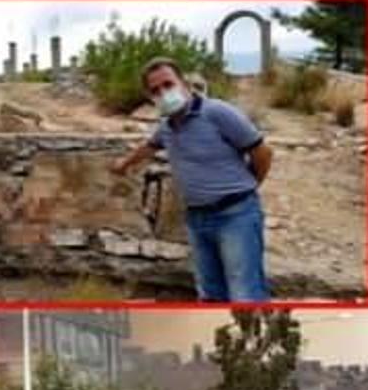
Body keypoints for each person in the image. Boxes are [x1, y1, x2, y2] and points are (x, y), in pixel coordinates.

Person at [113, 56, 275, 302]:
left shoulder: (217, 112)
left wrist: (249, 187)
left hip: (236, 215)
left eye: (168, 84)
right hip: (197, 218)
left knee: (244, 293)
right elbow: (150, 146)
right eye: (155, 90)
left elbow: (262, 151)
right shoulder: (167, 125)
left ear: (183, 83)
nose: (163, 93)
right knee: (209, 293)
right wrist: (124, 164)